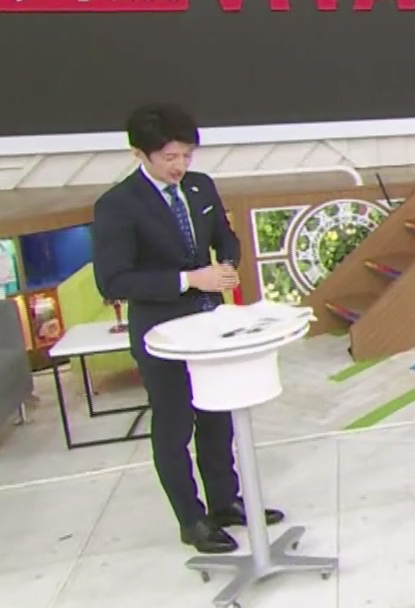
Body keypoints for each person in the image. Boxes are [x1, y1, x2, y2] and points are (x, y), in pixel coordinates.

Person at [93, 103, 282, 554]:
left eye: (186, 155)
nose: (180, 165)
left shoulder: (200, 187)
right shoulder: (117, 205)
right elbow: (113, 281)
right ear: (139, 154)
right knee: (174, 424)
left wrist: (228, 262)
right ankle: (191, 519)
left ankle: (225, 502)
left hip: (211, 326)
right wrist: (189, 280)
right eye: (170, 157)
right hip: (162, 332)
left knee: (217, 416)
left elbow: (224, 237)